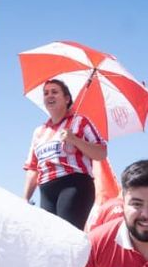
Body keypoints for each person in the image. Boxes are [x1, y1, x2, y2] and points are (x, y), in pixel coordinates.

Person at [22, 78, 106, 233]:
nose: (49, 96)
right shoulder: (39, 132)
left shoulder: (80, 122)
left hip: (74, 184)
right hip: (46, 189)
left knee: (66, 234)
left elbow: (101, 152)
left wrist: (74, 139)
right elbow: (33, 167)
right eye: (46, 93)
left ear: (67, 99)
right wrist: (25, 198)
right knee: (51, 238)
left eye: (55, 92)